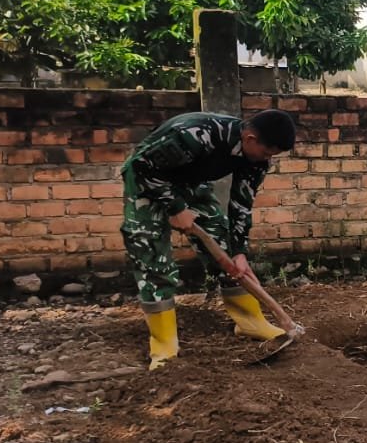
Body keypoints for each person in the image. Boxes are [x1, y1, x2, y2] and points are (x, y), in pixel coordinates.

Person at [120, 110, 297, 369]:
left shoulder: (256, 159)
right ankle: (164, 345)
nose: (268, 159)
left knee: (225, 248)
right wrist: (176, 208)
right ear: (250, 138)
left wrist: (239, 251)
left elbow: (242, 204)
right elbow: (141, 166)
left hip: (190, 182)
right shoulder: (194, 134)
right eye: (267, 153)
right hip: (147, 181)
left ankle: (251, 322)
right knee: (152, 256)